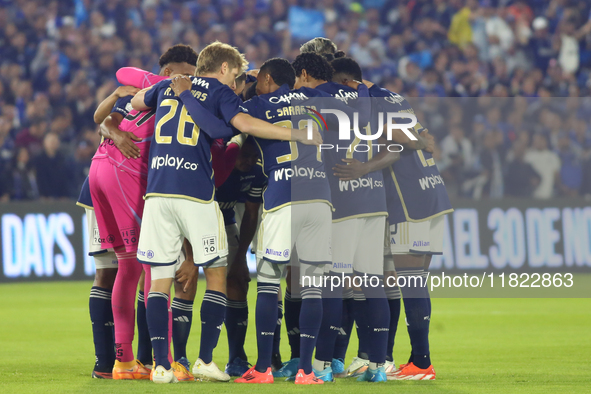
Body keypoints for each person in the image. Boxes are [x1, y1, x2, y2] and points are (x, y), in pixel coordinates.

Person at [131, 42, 320, 384]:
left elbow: (133, 102)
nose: (235, 83)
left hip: (157, 192)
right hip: (196, 193)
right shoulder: (219, 91)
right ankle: (204, 360)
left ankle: (161, 366)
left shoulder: (166, 85)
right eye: (234, 75)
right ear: (222, 69)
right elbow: (239, 124)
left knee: (158, 280)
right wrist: (294, 133)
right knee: (217, 273)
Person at [89, 44, 200, 381]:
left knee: (128, 264)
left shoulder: (145, 93)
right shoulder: (174, 94)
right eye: (187, 74)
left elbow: (109, 111)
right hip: (125, 174)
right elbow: (118, 89)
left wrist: (116, 129)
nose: (190, 81)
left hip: (101, 170)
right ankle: (162, 362)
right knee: (155, 264)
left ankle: (124, 361)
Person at [216, 137, 267, 376]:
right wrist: (189, 257)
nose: (249, 161)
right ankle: (159, 357)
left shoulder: (256, 172)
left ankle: (236, 356)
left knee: (237, 281)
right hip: (189, 222)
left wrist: (240, 259)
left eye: (253, 157)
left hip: (226, 221)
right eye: (244, 156)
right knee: (177, 279)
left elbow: (250, 213)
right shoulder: (215, 163)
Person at [76, 176, 118, 379]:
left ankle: (127, 360)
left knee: (119, 272)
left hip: (125, 185)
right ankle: (104, 361)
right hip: (108, 187)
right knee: (106, 272)